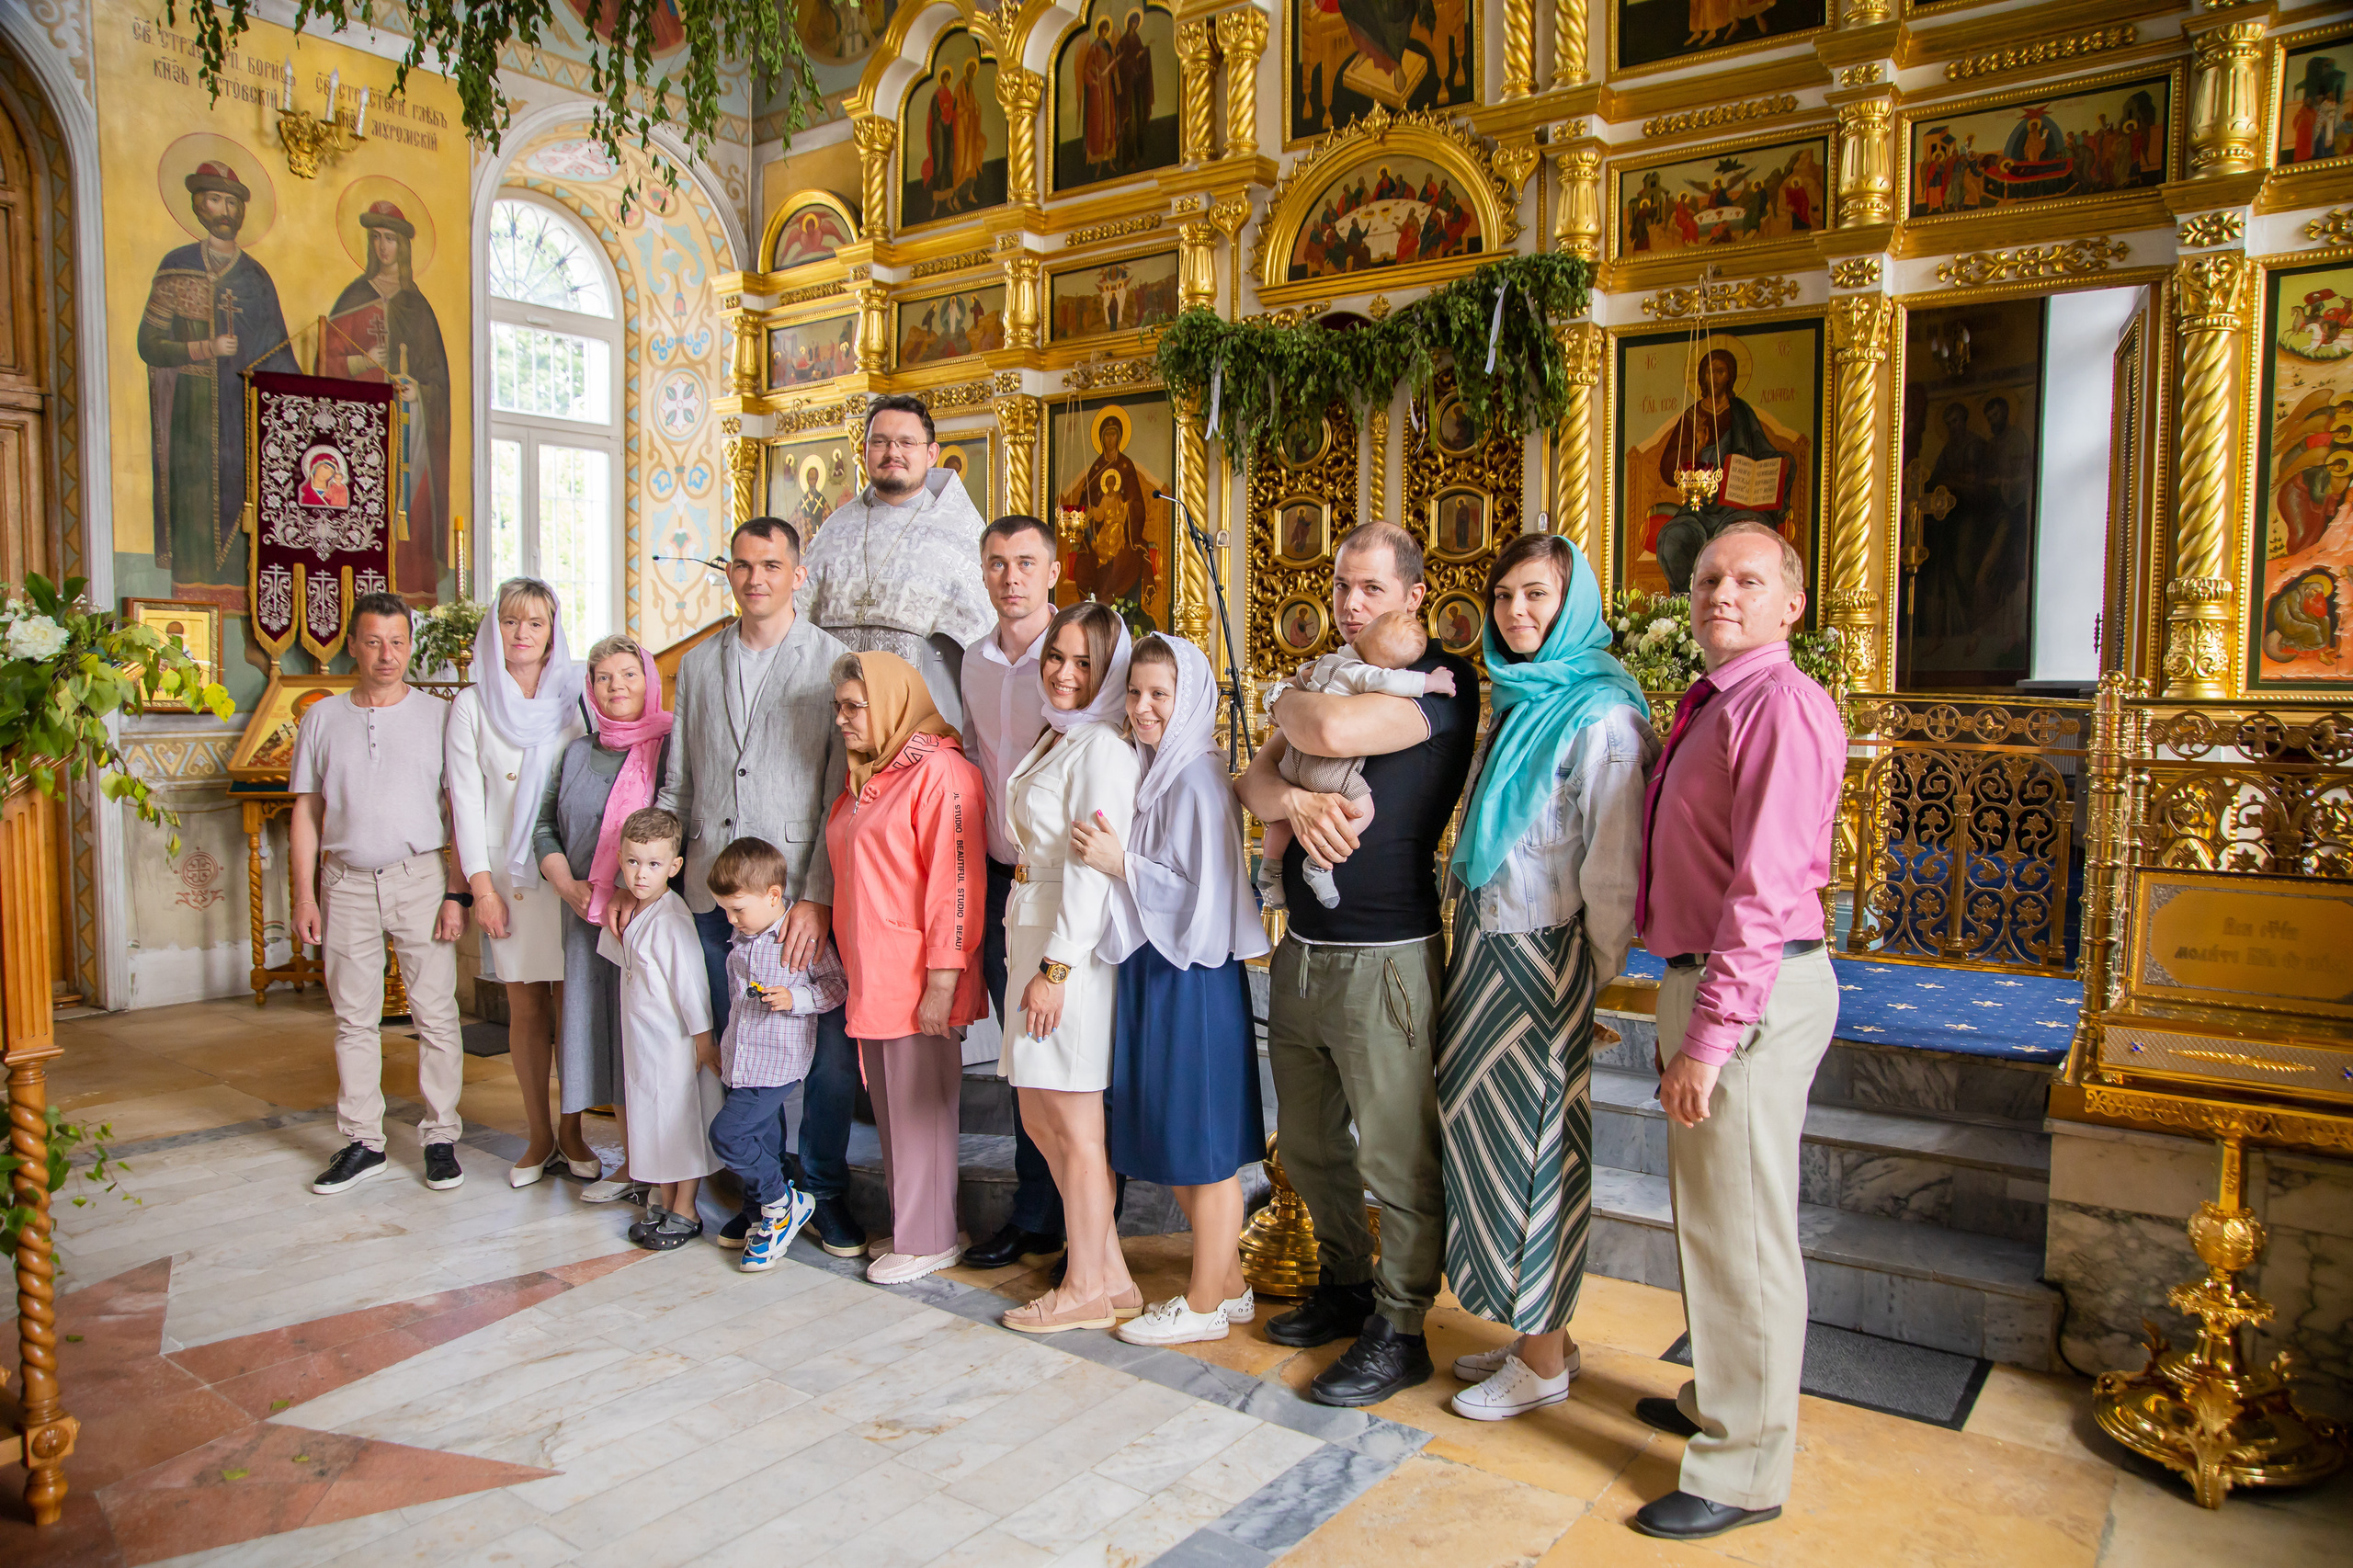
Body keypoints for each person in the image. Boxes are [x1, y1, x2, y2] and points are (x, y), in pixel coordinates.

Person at [1629, 522, 1846, 1543]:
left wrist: (1712, 1036)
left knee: (1747, 1235)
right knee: (1714, 1221)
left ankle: (1745, 1464)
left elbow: (1763, 893)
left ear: (1789, 604)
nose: (1721, 591)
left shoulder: (1783, 705)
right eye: (1710, 576)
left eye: (1746, 579)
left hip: (1745, 989)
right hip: (1711, 975)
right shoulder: (1720, 698)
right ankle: (1726, 1397)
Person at [1233, 521, 1478, 1407]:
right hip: (1302, 949)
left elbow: (1328, 722)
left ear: (1415, 591)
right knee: (1306, 1143)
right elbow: (1250, 786)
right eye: (1340, 587)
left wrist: (1281, 702)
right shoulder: (1322, 674)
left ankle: (1403, 1323)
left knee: (1394, 1152)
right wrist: (1294, 794)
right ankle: (1345, 1284)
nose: (1349, 605)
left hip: (1389, 956)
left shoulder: (1446, 683)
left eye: (1370, 588)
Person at [1438, 535, 1654, 1422]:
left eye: (1538, 597)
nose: (1517, 613)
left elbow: (1612, 871)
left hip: (1547, 957)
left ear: (1573, 604)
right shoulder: (1519, 698)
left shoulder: (1601, 716)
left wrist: (1587, 980)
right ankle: (1537, 1335)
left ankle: (1545, 1363)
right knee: (1487, 1141)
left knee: (1540, 1155)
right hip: (1487, 947)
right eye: (1503, 596)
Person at [612, 517, 862, 1256]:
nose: (757, 578)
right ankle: (768, 1193)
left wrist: (815, 896)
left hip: (791, 899)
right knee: (742, 1051)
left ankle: (825, 1189)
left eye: (772, 565)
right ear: (730, 573)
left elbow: (831, 792)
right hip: (711, 894)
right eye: (744, 565)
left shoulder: (828, 662)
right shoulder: (698, 663)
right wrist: (655, 880)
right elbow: (681, 780)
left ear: (798, 573)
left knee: (820, 1059)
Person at [1071, 636, 1268, 1346]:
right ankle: (1233, 1284)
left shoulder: (1199, 780)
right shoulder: (1154, 771)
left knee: (1204, 1148)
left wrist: (1123, 863)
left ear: (1190, 701)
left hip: (1194, 974)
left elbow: (1206, 900)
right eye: (1136, 693)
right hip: (1156, 967)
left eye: (1161, 695)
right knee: (1181, 1138)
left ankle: (1205, 1301)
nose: (1145, 708)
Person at [290, 593, 471, 1196]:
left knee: (436, 1015)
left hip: (420, 877)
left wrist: (457, 893)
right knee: (353, 1019)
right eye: (373, 641)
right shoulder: (322, 719)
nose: (386, 654)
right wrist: (304, 896)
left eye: (397, 641)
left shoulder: (440, 716)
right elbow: (306, 816)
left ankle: (441, 1136)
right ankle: (363, 1142)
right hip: (343, 884)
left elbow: (460, 811)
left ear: (409, 645)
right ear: (354, 644)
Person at [998, 603, 1142, 1334]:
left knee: (1074, 1124)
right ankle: (1111, 1275)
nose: (1062, 671)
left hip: (1069, 952)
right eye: (1057, 655)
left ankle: (1083, 1284)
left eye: (1083, 662)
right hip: (1034, 933)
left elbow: (1092, 873)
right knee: (1039, 1114)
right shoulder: (1061, 738)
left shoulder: (1104, 752)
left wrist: (1055, 969)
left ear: (1108, 671)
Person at [825, 650, 988, 1285]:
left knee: (922, 1110)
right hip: (873, 971)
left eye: (854, 707)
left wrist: (942, 981)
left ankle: (930, 1239)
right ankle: (917, 1224)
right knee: (894, 1109)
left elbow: (957, 881)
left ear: (892, 703)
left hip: (919, 972)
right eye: (838, 707)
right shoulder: (871, 776)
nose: (841, 719)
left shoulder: (940, 772)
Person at [445, 578, 590, 1188]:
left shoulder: (577, 695)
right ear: (494, 629)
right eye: (511, 622)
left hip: (572, 875)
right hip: (511, 881)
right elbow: (465, 802)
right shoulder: (472, 705)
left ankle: (576, 1132)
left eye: (535, 622)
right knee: (526, 1006)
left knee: (575, 1005)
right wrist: (480, 888)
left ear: (553, 629)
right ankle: (537, 1136)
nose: (523, 634)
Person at [958, 517, 1072, 1271]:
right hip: (1004, 880)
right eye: (997, 563)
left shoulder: (1081, 655)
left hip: (1067, 881)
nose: (1011, 577)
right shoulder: (974, 661)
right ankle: (1035, 1214)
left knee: (1071, 1055)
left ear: (1054, 571)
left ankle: (1087, 1224)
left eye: (1025, 562)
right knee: (1020, 1055)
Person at [535, 633, 676, 1206]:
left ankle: (660, 1160)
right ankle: (629, 1156)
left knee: (647, 1030)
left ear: (649, 679)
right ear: (589, 689)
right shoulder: (576, 751)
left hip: (647, 913)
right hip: (585, 911)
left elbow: (675, 817)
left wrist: (629, 886)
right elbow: (545, 823)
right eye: (603, 678)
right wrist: (564, 882)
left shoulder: (669, 744)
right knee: (604, 1028)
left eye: (628, 674)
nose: (616, 687)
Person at [705, 837, 850, 1273]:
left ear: (772, 896)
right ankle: (768, 1210)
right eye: (726, 910)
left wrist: (796, 998)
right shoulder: (742, 938)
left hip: (778, 1062)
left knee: (728, 1136)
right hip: (742, 1061)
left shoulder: (799, 936)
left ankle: (781, 1203)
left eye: (737, 910)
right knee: (762, 1138)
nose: (730, 920)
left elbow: (835, 986)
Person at [798, 394, 993, 719]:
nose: (893, 453)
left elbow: (980, 642)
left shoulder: (961, 534)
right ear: (864, 452)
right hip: (828, 716)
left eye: (906, 442)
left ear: (931, 453)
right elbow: (798, 622)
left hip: (916, 724)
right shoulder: (833, 531)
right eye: (880, 442)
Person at [1253, 608, 1457, 911]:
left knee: (1284, 821)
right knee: (1363, 809)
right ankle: (1320, 864)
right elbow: (1393, 682)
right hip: (1325, 769)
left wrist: (1280, 695)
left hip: (1292, 760)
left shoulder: (1327, 662)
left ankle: (1270, 868)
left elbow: (1298, 678)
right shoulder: (1360, 671)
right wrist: (1432, 681)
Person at [595, 808, 722, 1251]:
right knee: (653, 1117)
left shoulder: (671, 919)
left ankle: (686, 1208)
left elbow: (691, 985)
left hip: (674, 1043)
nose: (640, 874)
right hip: (642, 1039)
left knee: (678, 1121)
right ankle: (666, 1202)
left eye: (653, 864)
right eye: (632, 862)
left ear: (675, 866)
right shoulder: (635, 912)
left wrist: (703, 1040)